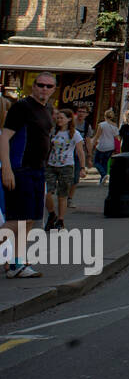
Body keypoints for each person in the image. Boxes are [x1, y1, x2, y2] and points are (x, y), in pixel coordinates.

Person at [0, 72, 56, 278]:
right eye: (40, 85)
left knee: (30, 220)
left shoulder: (47, 109)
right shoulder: (22, 107)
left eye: (49, 86)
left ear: (53, 89)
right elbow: (4, 138)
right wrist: (7, 168)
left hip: (38, 170)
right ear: (33, 86)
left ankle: (17, 264)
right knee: (17, 220)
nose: (44, 89)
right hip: (20, 169)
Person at [44, 108, 83, 232]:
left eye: (62, 118)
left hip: (66, 166)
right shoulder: (53, 131)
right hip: (51, 164)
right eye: (58, 117)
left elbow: (80, 151)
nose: (59, 120)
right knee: (46, 192)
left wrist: (82, 167)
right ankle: (51, 214)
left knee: (62, 194)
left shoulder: (74, 134)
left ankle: (60, 220)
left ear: (69, 119)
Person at [90, 109, 119, 186]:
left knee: (96, 162)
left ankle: (103, 174)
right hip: (110, 146)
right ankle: (102, 179)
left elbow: (97, 136)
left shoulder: (102, 125)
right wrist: (117, 148)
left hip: (101, 146)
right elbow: (117, 138)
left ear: (105, 116)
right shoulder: (115, 125)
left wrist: (92, 142)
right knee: (105, 162)